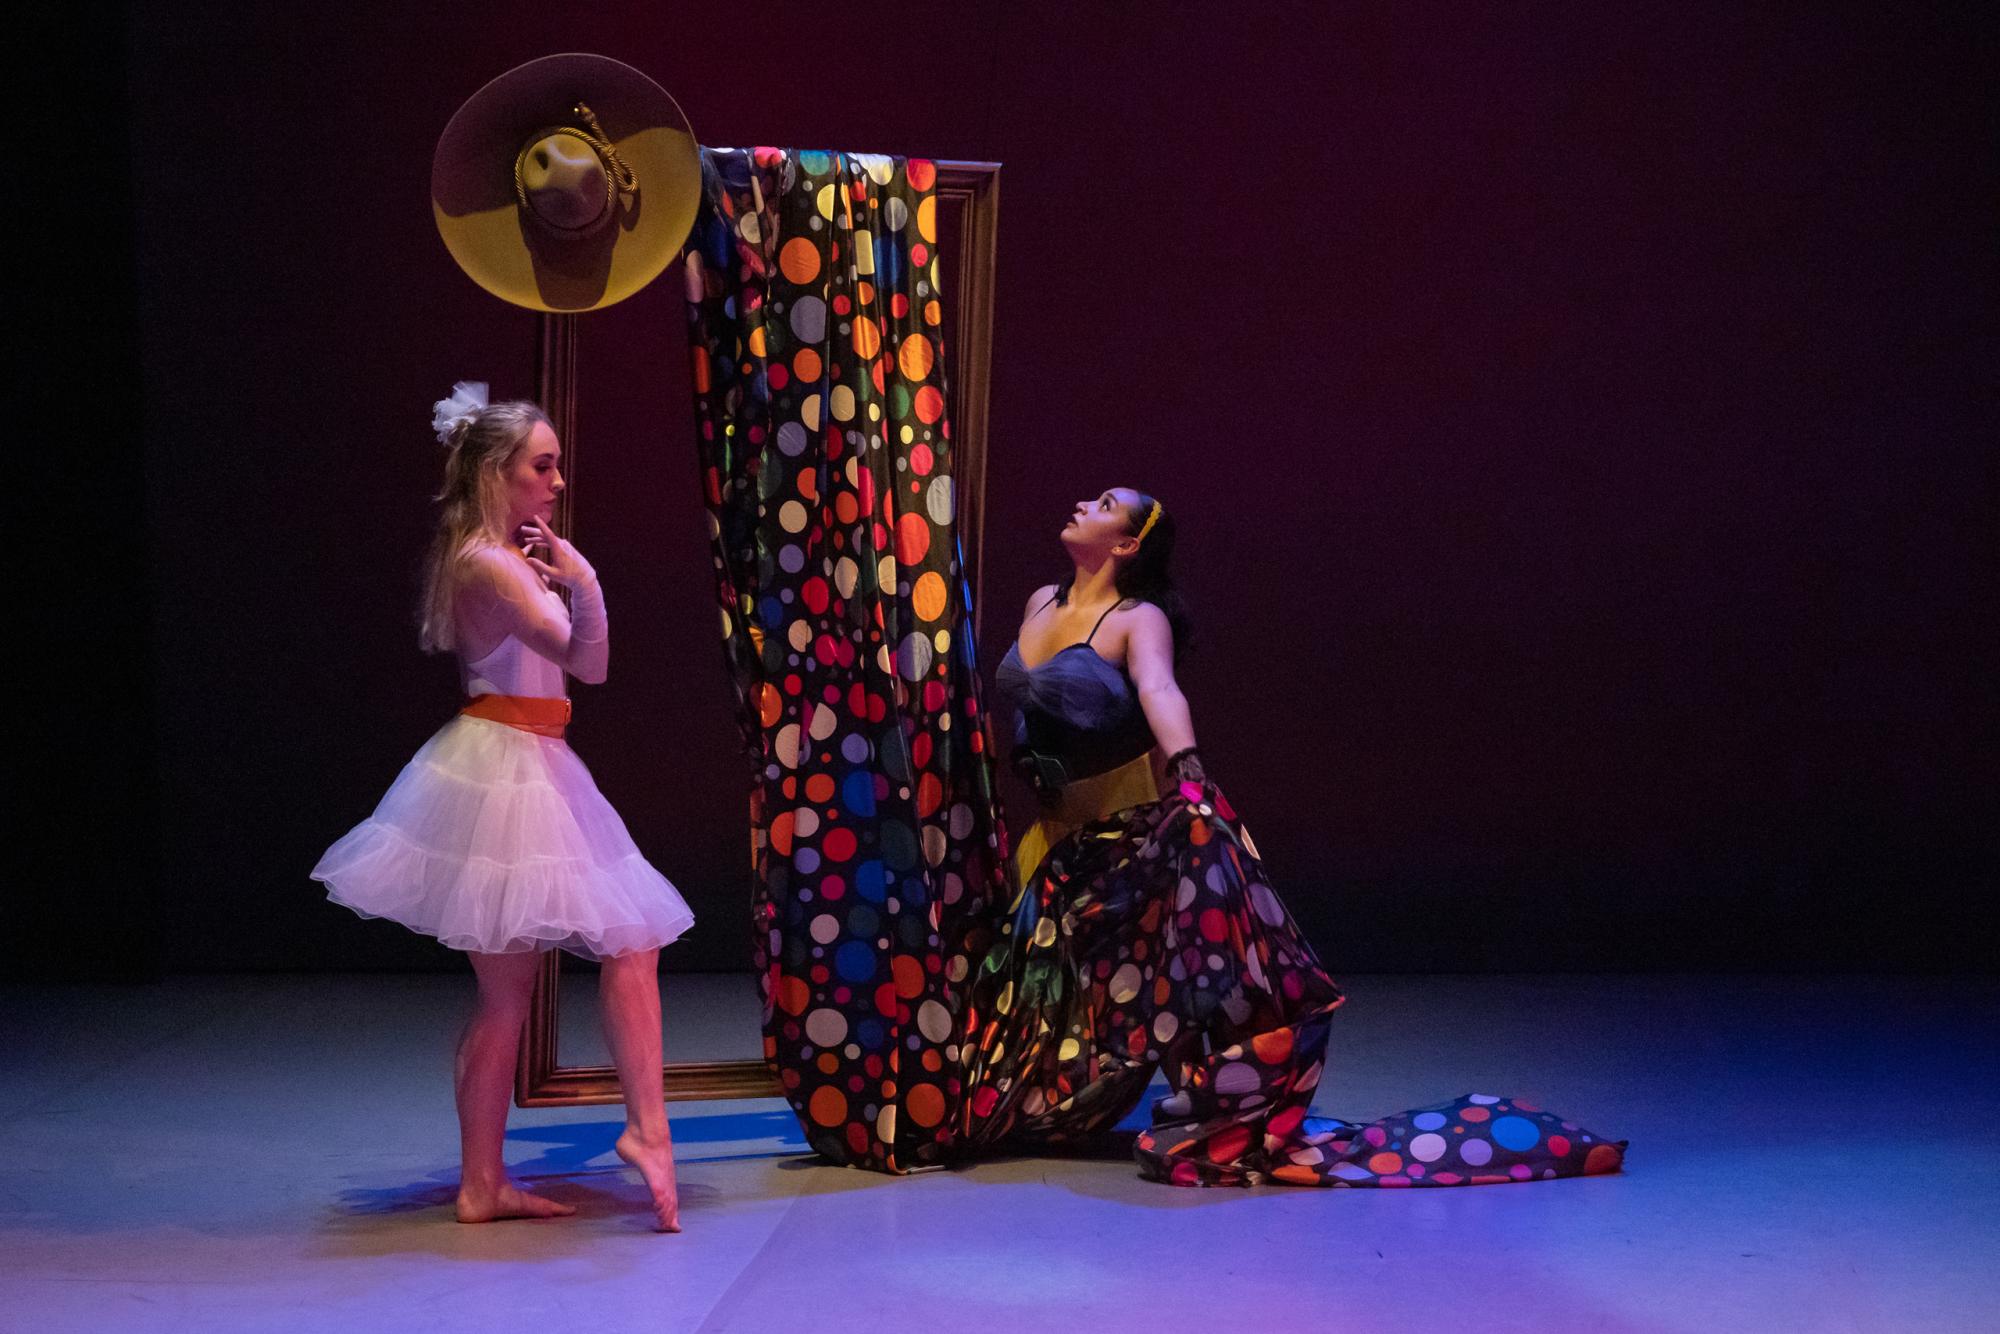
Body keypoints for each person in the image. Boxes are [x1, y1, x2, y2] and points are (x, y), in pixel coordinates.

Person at [962, 488, 1626, 1187]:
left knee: (1156, 972)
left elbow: (1158, 691)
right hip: (1051, 832)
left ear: (1127, 545)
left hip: (1123, 825)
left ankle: (1220, 1093)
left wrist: (1189, 771)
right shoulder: (1041, 600)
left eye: (1103, 504)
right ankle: (1054, 1099)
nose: (1081, 504)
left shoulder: (1138, 618)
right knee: (1060, 991)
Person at [312, 383, 693, 1228]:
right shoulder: (487, 563)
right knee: (630, 942)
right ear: (496, 472)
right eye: (542, 467)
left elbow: (573, 673)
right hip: (512, 765)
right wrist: (585, 581)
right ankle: (646, 1130)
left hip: (527, 755)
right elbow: (585, 662)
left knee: (515, 992)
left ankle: (485, 1183)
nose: (556, 482)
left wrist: (565, 577)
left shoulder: (495, 558)